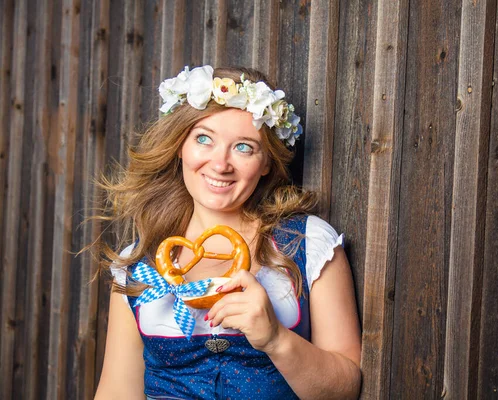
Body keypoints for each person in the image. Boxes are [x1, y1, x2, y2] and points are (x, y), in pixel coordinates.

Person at [93, 65, 362, 399]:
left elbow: (346, 389)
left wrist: (275, 339)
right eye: (203, 139)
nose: (220, 164)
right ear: (180, 147)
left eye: (244, 147)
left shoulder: (308, 244)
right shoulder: (138, 264)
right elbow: (117, 392)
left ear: (266, 163)